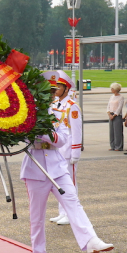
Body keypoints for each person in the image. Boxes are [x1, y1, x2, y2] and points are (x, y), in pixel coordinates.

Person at [23, 73, 113, 253]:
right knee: (37, 218)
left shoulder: (57, 112)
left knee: (73, 201)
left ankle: (91, 239)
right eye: (47, 92)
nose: (50, 95)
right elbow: (25, 138)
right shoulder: (28, 113)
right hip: (36, 167)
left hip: (57, 165)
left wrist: (45, 134)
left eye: (52, 91)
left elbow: (63, 138)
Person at [43, 71, 83, 226]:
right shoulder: (56, 104)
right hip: (58, 150)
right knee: (59, 183)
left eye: (59, 87)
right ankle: (62, 212)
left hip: (68, 151)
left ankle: (70, 214)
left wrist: (76, 153)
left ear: (66, 89)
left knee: (70, 184)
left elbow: (76, 131)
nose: (56, 90)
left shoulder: (72, 107)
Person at [107, 83, 124, 151]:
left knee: (117, 131)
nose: (111, 89)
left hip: (117, 115)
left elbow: (119, 107)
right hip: (111, 114)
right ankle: (112, 146)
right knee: (111, 131)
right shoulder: (111, 97)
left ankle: (118, 146)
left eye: (112, 88)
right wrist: (109, 114)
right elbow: (108, 106)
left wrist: (114, 115)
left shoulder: (121, 97)